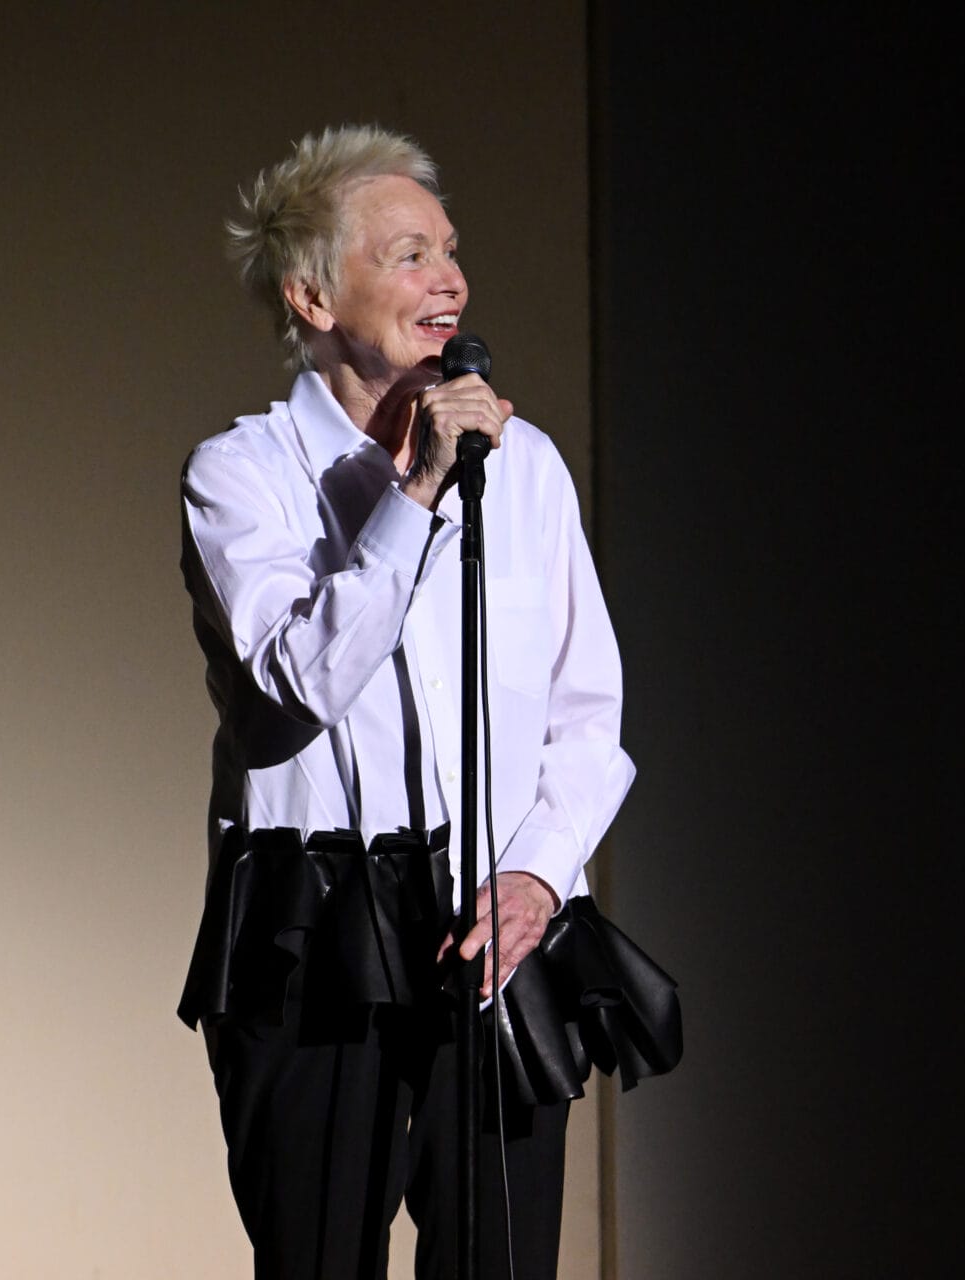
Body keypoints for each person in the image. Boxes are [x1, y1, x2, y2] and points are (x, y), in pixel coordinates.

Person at [175, 123, 634, 1280]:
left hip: (497, 921)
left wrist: (541, 875)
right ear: (313, 294)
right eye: (411, 254)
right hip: (317, 928)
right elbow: (294, 685)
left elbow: (588, 715)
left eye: (452, 251)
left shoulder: (526, 467)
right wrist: (415, 491)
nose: (451, 281)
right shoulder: (242, 476)